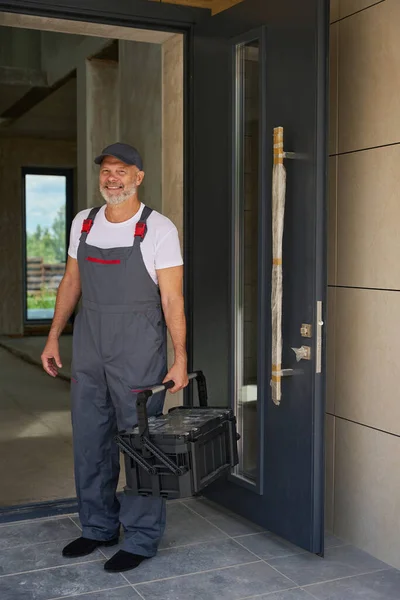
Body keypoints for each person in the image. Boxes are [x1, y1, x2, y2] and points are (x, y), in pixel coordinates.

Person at [41, 142, 188, 573]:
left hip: (139, 350)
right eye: (107, 171)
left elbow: (173, 299)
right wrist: (53, 337)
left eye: (122, 171)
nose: (112, 178)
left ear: (138, 177)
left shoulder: (159, 229)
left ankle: (141, 538)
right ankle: (98, 526)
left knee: (140, 442)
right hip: (89, 347)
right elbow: (71, 282)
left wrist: (179, 357)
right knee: (90, 439)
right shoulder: (83, 223)